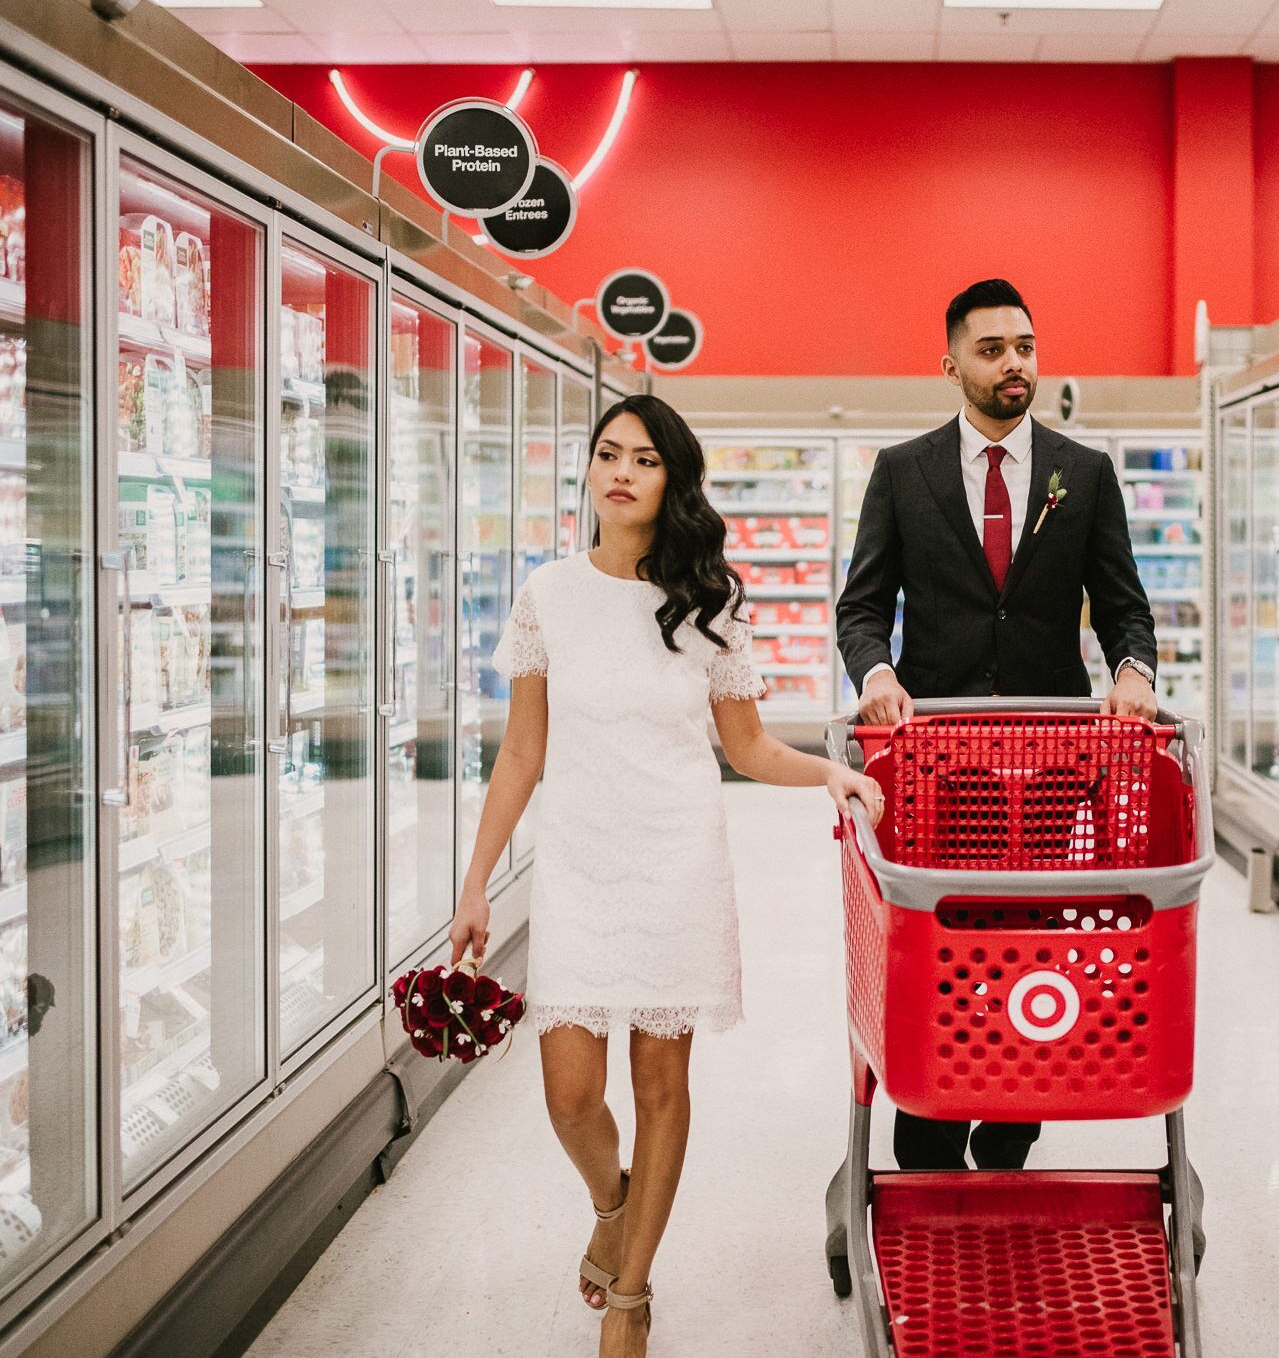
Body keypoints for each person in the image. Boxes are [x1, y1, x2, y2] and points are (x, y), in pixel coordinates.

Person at [448, 394, 883, 1358]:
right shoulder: (547, 595)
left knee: (660, 1083)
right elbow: (521, 753)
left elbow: (751, 746)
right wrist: (477, 880)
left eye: (644, 459)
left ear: (670, 481)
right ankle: (614, 1199)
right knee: (568, 1093)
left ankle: (632, 1295)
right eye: (608, 454)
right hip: (579, 864)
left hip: (676, 858)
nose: (621, 471)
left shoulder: (710, 606)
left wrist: (832, 773)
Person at [835, 277, 1160, 1172]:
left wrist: (1133, 672)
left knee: (1034, 940)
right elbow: (861, 608)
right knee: (941, 942)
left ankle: (1013, 1122)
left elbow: (1126, 608)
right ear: (951, 366)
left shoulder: (1082, 473)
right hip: (937, 767)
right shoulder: (902, 473)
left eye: (1024, 345)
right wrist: (877, 674)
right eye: (992, 350)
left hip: (1054, 763)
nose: (1014, 363)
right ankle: (933, 1134)